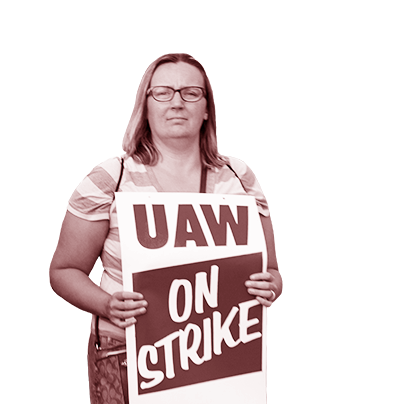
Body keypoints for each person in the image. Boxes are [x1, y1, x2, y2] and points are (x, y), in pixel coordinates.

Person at [48, 54, 283, 404]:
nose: (176, 102)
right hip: (127, 360)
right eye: (162, 92)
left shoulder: (239, 178)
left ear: (206, 108)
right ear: (146, 106)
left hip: (221, 358)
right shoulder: (111, 178)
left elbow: (273, 272)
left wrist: (273, 286)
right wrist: (107, 304)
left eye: (190, 92)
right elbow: (63, 271)